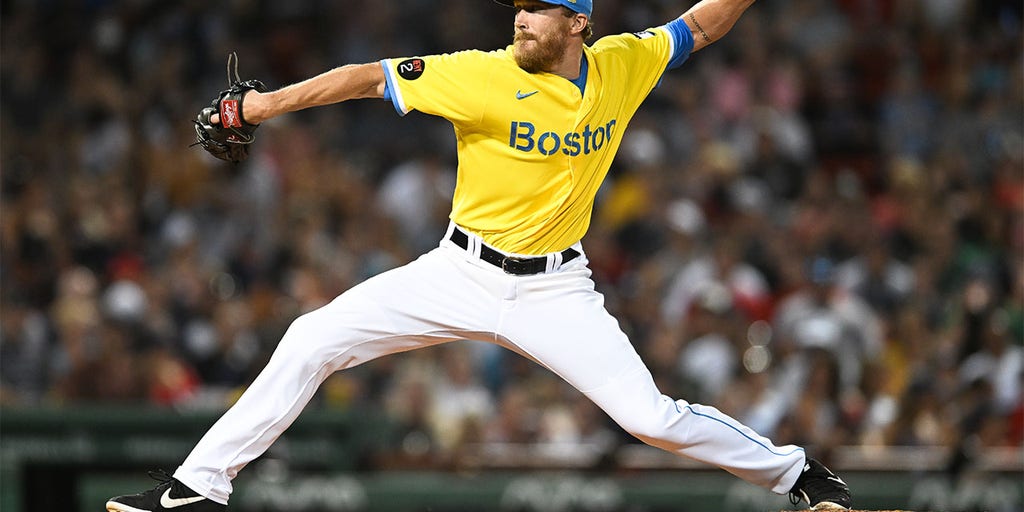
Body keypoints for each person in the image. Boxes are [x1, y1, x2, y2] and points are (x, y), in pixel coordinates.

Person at [107, 0, 853, 510]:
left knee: (649, 416)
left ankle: (801, 474)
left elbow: (701, 25)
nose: (520, 19)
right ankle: (196, 489)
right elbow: (368, 78)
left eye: (537, 9)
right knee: (311, 338)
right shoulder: (484, 72)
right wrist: (262, 107)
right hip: (458, 271)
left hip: (557, 290)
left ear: (578, 25)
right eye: (518, 8)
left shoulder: (625, 63)